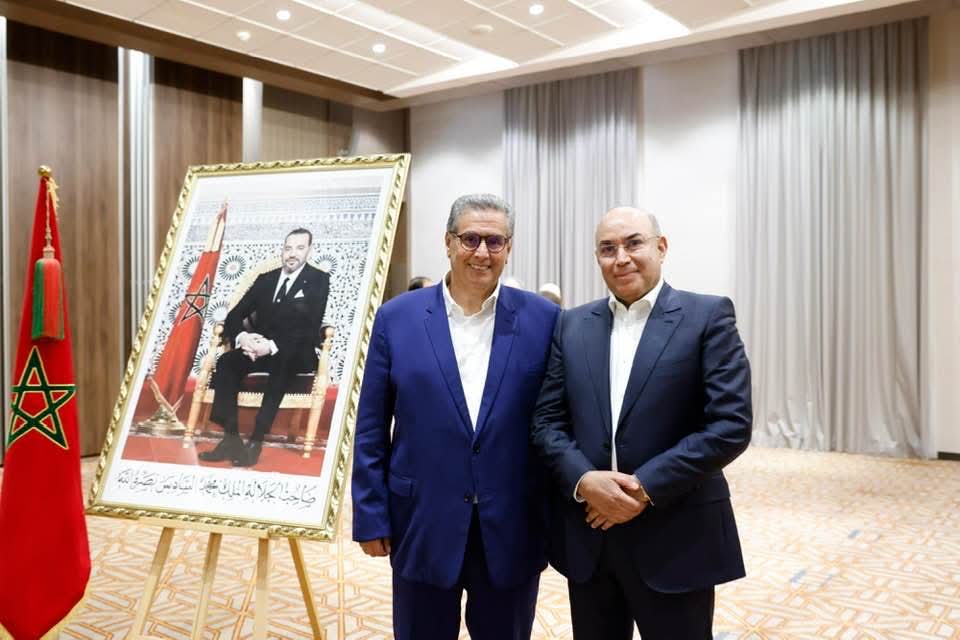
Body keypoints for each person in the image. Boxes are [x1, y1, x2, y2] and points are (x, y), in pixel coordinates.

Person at [532, 207, 752, 640]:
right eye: (607, 249)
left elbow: (731, 424)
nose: (622, 258)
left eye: (634, 243)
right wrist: (584, 481)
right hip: (591, 537)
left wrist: (644, 487)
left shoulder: (707, 316)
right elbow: (547, 421)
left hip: (676, 535)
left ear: (661, 247)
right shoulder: (571, 325)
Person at [352, 194, 560, 640]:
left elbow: (558, 421)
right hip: (422, 521)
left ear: (509, 247)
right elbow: (371, 424)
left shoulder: (545, 319)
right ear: (448, 242)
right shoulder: (396, 318)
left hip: (512, 526)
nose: (482, 252)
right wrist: (370, 514)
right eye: (470, 239)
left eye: (495, 241)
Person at [199, 227, 329, 467]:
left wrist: (271, 345)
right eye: (288, 248)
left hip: (295, 351)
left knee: (283, 360)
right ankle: (230, 438)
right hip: (258, 349)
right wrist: (244, 339)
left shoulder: (319, 280)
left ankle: (256, 440)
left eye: (300, 248)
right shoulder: (265, 280)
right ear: (282, 250)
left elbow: (309, 326)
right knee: (227, 362)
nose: (292, 253)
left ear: (310, 250)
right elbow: (234, 315)